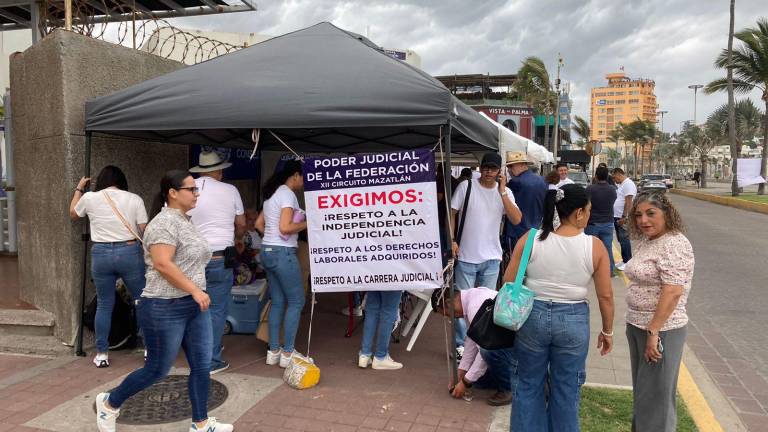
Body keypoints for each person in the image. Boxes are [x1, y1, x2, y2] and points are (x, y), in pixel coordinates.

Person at [95, 170, 234, 432]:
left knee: (202, 365)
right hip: (163, 306)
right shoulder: (163, 223)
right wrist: (195, 289)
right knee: (157, 369)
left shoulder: (185, 220)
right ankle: (110, 403)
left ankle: (201, 424)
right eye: (191, 189)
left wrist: (195, 293)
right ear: (172, 193)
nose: (197, 194)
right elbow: (161, 263)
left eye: (196, 189)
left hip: (194, 306)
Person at [502, 184, 614, 432]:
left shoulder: (530, 238)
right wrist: (607, 331)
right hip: (573, 321)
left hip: (532, 316)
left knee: (528, 384)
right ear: (578, 214)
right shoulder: (594, 246)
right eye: (588, 210)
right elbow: (605, 296)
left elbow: (508, 282)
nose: (589, 215)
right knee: (566, 388)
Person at [624, 191, 694, 432]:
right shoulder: (649, 240)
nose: (643, 220)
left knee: (656, 400)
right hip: (638, 326)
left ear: (667, 213)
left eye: (651, 213)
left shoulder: (675, 243)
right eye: (638, 215)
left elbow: (673, 291)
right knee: (645, 395)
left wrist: (654, 331)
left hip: (660, 330)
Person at [69, 165, 147, 368]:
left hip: (101, 253)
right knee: (142, 300)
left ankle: (102, 354)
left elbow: (73, 214)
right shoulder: (134, 199)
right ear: (122, 182)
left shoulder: (90, 198)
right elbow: (144, 230)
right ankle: (149, 349)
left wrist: (79, 188)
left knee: (104, 304)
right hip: (129, 252)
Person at [450, 152, 522, 352]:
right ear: (480, 168)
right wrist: (452, 239)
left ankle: (480, 345)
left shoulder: (505, 192)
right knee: (461, 305)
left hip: (492, 257)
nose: (488, 171)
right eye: (486, 167)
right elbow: (452, 212)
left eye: (493, 168)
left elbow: (516, 219)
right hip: (466, 256)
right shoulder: (467, 186)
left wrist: (503, 192)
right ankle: (461, 345)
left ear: (500, 171)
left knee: (487, 305)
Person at [188, 151, 246, 374]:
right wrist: (238, 238)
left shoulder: (188, 186)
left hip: (192, 256)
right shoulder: (231, 190)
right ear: (218, 170)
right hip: (220, 256)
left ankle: (196, 351)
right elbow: (240, 224)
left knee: (194, 306)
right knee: (217, 309)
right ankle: (211, 360)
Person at [255, 160, 309, 368]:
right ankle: (288, 353)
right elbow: (286, 228)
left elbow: (258, 224)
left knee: (277, 302)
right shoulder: (287, 194)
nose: (304, 182)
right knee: (296, 302)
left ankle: (274, 351)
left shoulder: (272, 194)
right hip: (283, 253)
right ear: (295, 175)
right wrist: (309, 221)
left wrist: (270, 238)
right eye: (303, 177)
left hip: (267, 251)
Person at [435, 287, 516, 406]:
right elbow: (472, 341)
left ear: (448, 303)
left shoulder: (474, 307)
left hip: (513, 347)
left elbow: (485, 349)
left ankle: (508, 388)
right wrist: (461, 373)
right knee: (477, 380)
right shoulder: (471, 298)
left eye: (446, 314)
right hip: (508, 342)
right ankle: (504, 378)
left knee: (486, 352)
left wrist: (466, 382)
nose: (449, 318)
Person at [503, 151, 548, 252]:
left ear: (523, 164)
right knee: (531, 264)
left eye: (511, 166)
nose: (509, 169)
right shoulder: (543, 181)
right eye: (508, 166)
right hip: (536, 231)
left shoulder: (515, 182)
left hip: (516, 232)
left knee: (517, 265)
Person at [585, 166, 618, 275]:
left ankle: (591, 270)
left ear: (596, 176)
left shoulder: (590, 189)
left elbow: (586, 204)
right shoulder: (612, 189)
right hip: (608, 223)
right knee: (607, 247)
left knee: (591, 248)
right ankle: (610, 270)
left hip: (592, 223)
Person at [611, 168, 637, 271]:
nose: (614, 179)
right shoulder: (622, 184)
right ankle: (624, 260)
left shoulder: (628, 184)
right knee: (621, 240)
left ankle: (628, 262)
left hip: (623, 217)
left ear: (619, 174)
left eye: (614, 177)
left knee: (624, 239)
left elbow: (629, 202)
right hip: (617, 216)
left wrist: (624, 217)